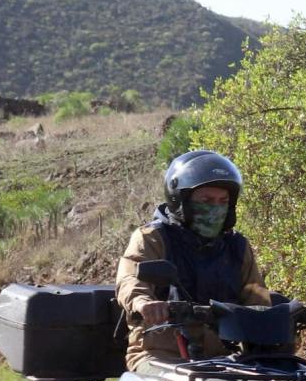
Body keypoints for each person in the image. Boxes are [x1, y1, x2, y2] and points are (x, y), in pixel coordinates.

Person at [115, 150, 274, 369]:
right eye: (206, 200)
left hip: (224, 358)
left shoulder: (237, 247)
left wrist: (285, 318)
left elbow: (256, 298)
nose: (215, 208)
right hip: (160, 356)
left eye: (223, 201)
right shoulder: (152, 238)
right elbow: (130, 279)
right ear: (181, 201)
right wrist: (145, 304)